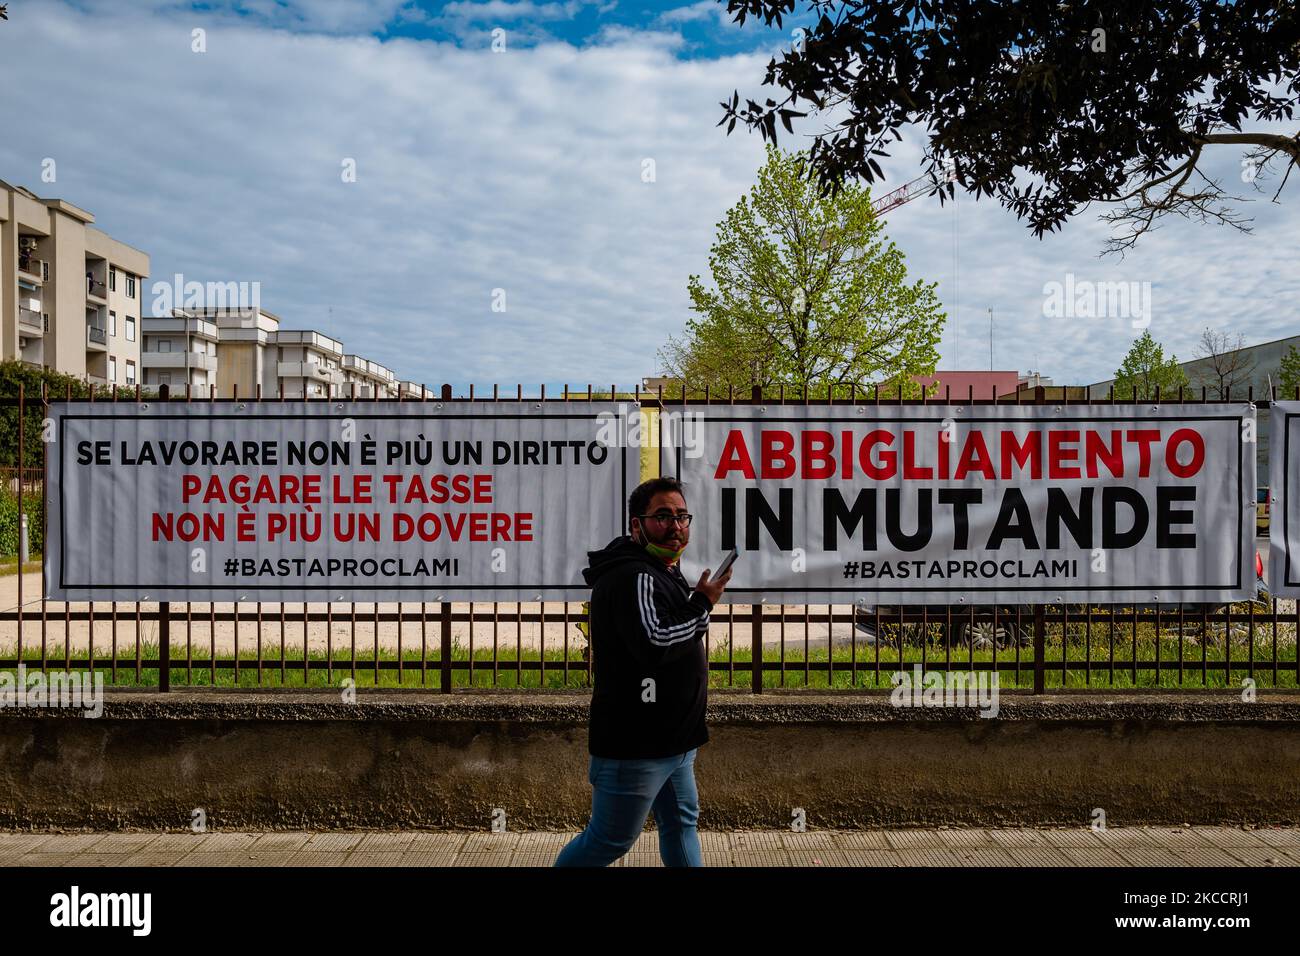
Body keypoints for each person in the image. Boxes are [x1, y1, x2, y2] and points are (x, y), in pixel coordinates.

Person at [554, 476, 732, 867]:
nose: (675, 526)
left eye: (681, 516)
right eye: (662, 516)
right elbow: (658, 641)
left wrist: (696, 605)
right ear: (637, 524)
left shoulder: (660, 568)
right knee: (609, 840)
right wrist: (702, 603)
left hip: (675, 740)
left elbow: (675, 627)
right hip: (637, 743)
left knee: (681, 825)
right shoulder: (635, 575)